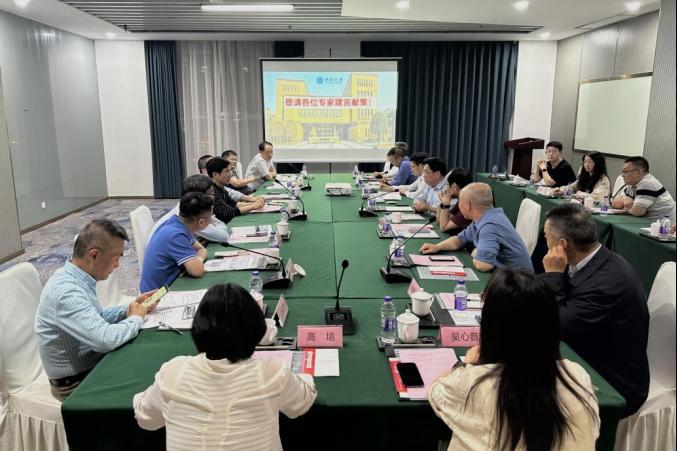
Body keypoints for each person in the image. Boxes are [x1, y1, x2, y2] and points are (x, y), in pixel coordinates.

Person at [429, 268, 599, 450]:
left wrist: (465, 363)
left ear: (492, 329)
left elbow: (435, 389)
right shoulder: (578, 377)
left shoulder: (474, 384)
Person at [133, 283, 317, 450]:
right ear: (256, 330)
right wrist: (304, 378)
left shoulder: (173, 372)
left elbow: (146, 419)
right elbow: (300, 403)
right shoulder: (272, 372)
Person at [540, 203, 649, 416]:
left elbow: (556, 325)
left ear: (562, 244)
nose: (545, 241)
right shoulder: (589, 258)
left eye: (546, 236)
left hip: (615, 381)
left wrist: (553, 275)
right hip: (589, 346)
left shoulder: (608, 282)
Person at [35, 219, 156, 400]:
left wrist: (129, 309)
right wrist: (136, 318)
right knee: (149, 378)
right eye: (116, 258)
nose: (117, 265)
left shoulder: (76, 277)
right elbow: (106, 340)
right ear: (93, 255)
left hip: (91, 366)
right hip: (75, 384)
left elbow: (96, 317)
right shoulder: (66, 292)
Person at [420, 182, 533, 272]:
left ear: (467, 205)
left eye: (460, 202)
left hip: (519, 283)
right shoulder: (485, 216)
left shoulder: (490, 225)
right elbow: (459, 240)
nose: (458, 205)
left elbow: (484, 265)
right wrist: (437, 247)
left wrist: (475, 253)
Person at [140, 192, 212, 292]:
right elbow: (198, 271)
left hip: (166, 284)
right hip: (155, 295)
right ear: (201, 222)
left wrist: (197, 259)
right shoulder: (176, 235)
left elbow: (201, 249)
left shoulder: (177, 223)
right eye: (211, 216)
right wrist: (198, 261)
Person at [148, 174, 229, 244]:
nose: (214, 197)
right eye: (211, 193)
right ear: (199, 197)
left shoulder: (186, 208)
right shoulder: (190, 215)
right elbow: (223, 236)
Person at [611, 156, 675, 220]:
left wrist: (627, 207)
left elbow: (637, 212)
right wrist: (625, 199)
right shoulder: (632, 184)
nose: (622, 175)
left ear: (639, 172)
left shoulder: (647, 184)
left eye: (626, 172)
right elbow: (614, 204)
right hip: (647, 221)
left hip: (664, 224)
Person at [207, 157, 265, 224]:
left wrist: (255, 203)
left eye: (230, 170)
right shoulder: (211, 191)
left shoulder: (221, 187)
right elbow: (228, 212)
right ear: (215, 174)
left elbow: (233, 204)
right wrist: (252, 206)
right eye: (227, 171)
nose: (230, 175)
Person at [436, 168, 473, 233]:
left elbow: (443, 227)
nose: (446, 188)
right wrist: (442, 202)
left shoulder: (468, 205)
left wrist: (446, 203)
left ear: (454, 186)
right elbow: (438, 221)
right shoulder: (461, 200)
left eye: (447, 184)